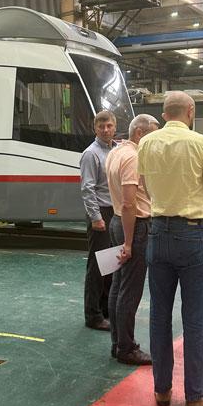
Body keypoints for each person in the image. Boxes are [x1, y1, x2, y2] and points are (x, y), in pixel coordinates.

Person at [138, 91, 203, 406]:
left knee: (159, 316)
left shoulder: (147, 143)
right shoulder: (200, 143)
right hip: (192, 234)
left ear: (163, 114)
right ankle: (194, 395)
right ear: (191, 111)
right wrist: (195, 212)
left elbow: (144, 186)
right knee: (193, 319)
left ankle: (162, 390)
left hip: (158, 232)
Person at [106, 114, 159, 365]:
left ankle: (118, 343)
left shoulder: (116, 152)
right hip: (133, 226)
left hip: (118, 221)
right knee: (130, 289)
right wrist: (128, 243)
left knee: (118, 285)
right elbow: (129, 203)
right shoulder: (133, 157)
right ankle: (127, 348)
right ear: (140, 133)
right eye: (153, 135)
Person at [80, 110, 117, 331]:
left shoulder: (116, 150)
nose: (105, 130)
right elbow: (87, 189)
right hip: (101, 213)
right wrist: (96, 217)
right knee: (96, 267)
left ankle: (105, 309)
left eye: (109, 126)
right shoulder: (90, 154)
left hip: (114, 212)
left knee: (110, 264)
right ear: (94, 128)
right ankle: (92, 315)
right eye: (101, 126)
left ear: (115, 127)